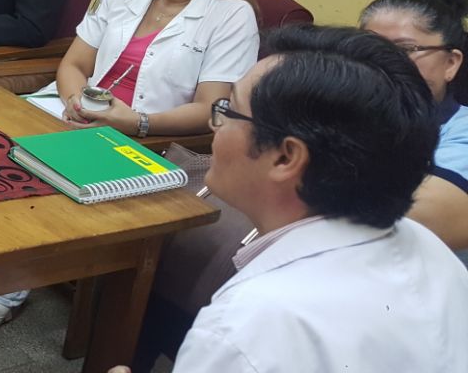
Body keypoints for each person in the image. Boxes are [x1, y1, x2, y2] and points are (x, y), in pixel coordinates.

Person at [0, 0, 259, 332]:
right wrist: (75, 101)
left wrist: (133, 122)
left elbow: (211, 110)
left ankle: (2, 291)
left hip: (149, 137)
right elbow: (73, 64)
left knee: (45, 163)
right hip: (77, 110)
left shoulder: (230, 15)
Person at [153, 26, 468, 372]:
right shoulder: (431, 250)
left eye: (231, 111)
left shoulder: (246, 326)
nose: (217, 125)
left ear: (286, 158)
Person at [360, 0, 468, 259]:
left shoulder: (461, 129)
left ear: (451, 64)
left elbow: (414, 222)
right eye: (368, 48)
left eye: (405, 49)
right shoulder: (338, 109)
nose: (380, 62)